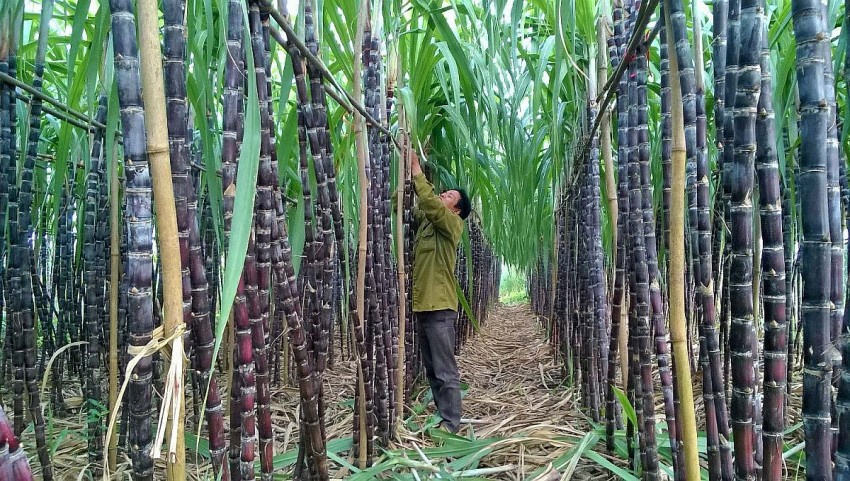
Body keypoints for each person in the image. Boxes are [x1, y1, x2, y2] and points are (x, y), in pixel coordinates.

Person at [410, 149, 472, 434]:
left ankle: (452, 424)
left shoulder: (452, 225)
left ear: (456, 210)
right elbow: (415, 207)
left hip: (440, 308)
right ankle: (442, 416)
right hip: (423, 305)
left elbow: (430, 205)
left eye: (448, 196)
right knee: (432, 369)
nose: (442, 196)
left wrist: (416, 170)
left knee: (445, 370)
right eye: (443, 192)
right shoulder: (428, 224)